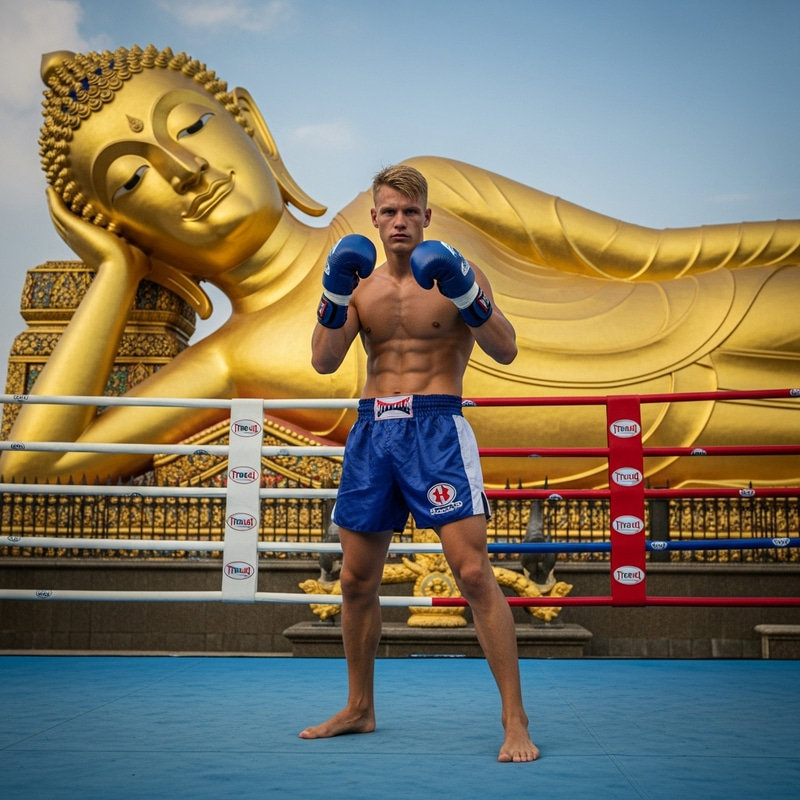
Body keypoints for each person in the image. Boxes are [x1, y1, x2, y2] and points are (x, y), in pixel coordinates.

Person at [3, 44, 799, 489]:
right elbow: (35, 474)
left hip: (699, 313)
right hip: (650, 434)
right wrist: (113, 270)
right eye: (132, 178)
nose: (182, 169)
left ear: (251, 126)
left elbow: (650, 253)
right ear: (128, 225)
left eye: (193, 125)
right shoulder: (231, 360)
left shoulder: (425, 184)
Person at [300, 164, 539, 763]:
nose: (400, 221)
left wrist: (466, 292)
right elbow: (325, 363)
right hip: (374, 430)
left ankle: (515, 719)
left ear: (426, 216)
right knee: (355, 580)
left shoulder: (456, 273)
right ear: (374, 219)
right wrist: (332, 294)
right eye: (388, 211)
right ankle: (359, 707)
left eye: (410, 211)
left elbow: (506, 349)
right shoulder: (359, 284)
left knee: (475, 573)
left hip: (437, 427)